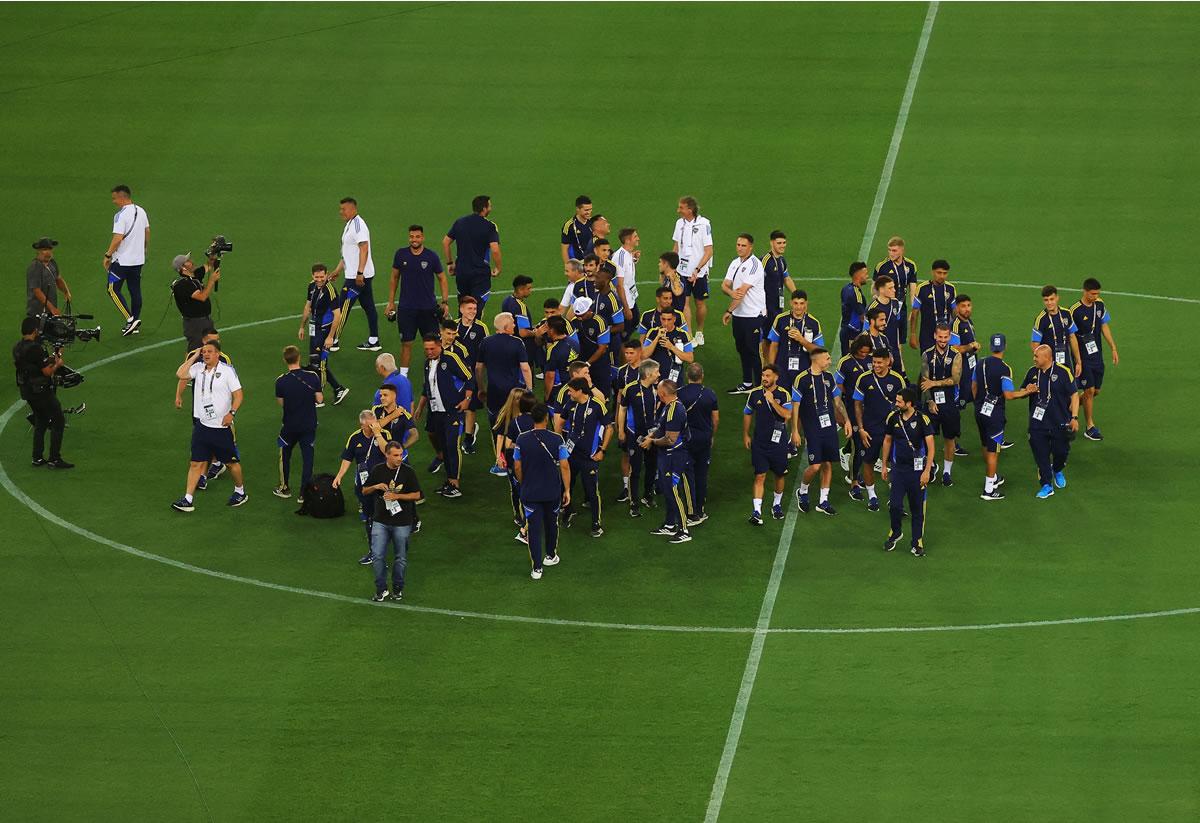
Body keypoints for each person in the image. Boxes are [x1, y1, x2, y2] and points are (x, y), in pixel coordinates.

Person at [172, 341, 246, 511]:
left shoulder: (227, 371)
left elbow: (239, 395)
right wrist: (194, 356)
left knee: (230, 464)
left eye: (209, 352)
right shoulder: (198, 368)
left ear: (218, 354)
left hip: (221, 428)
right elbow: (180, 374)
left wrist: (232, 413)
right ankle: (188, 499)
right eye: (204, 352)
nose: (206, 354)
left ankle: (240, 491)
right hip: (202, 426)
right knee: (195, 463)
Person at [791, 349, 852, 516]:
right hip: (812, 428)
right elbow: (795, 406)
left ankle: (823, 501)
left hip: (829, 427)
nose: (830, 360)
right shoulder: (801, 379)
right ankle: (803, 491)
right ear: (816, 360)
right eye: (827, 358)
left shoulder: (829, 378)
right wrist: (795, 431)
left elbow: (838, 402)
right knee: (816, 465)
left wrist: (846, 420)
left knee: (827, 464)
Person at [412, 333, 474, 497]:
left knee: (452, 446)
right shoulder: (427, 364)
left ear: (440, 345)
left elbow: (469, 377)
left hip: (452, 411)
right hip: (436, 411)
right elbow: (426, 387)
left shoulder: (451, 359)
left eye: (432, 348)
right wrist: (419, 408)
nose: (429, 351)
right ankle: (449, 480)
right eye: (426, 349)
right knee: (445, 446)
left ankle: (455, 483)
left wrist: (467, 399)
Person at [513, 403, 570, 579]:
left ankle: (537, 568)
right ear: (547, 418)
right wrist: (567, 489)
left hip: (530, 491)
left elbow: (517, 465)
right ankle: (550, 555)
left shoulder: (522, 439)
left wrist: (524, 481)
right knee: (552, 524)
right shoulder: (557, 440)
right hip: (551, 491)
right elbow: (565, 466)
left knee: (534, 530)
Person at [362, 441, 422, 601]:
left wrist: (397, 496)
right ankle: (381, 589)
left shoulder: (408, 472)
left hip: (402, 522)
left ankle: (397, 587)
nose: (399, 458)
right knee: (377, 555)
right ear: (387, 455)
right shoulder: (378, 470)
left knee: (400, 557)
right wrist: (376, 486)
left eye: (401, 455)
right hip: (380, 520)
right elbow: (365, 490)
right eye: (396, 455)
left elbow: (417, 495)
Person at [880, 386, 936, 556]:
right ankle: (896, 532)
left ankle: (916, 542)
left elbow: (931, 448)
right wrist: (884, 465)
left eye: (899, 401)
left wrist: (927, 471)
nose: (895, 403)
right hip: (898, 470)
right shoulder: (892, 418)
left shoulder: (923, 420)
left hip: (917, 472)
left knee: (917, 509)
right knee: (895, 506)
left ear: (909, 403)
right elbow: (888, 441)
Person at [1019, 343, 1079, 499]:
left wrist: (1074, 417)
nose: (1034, 359)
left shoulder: (1064, 372)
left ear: (1047, 357)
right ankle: (1046, 484)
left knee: (1061, 452)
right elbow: (1021, 391)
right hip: (1037, 424)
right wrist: (1027, 391)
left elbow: (1074, 395)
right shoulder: (1032, 372)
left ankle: (1057, 469)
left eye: (1036, 356)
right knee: (1041, 455)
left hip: (1060, 422)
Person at [554, 376, 612, 537]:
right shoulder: (570, 404)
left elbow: (609, 427)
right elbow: (559, 423)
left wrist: (602, 450)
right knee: (566, 486)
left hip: (589, 456)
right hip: (571, 454)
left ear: (580, 391)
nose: (569, 394)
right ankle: (568, 510)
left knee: (592, 491)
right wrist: (559, 445)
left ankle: (596, 523)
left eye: (571, 391)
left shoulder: (597, 405)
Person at [476, 312, 533, 473]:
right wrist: (529, 389)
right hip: (513, 393)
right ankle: (522, 457)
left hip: (494, 392)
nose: (515, 325)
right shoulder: (517, 343)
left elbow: (479, 368)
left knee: (497, 427)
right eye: (513, 324)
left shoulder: (486, 342)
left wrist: (481, 388)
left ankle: (500, 463)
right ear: (506, 327)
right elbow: (525, 368)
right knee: (518, 424)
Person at [386, 224, 448, 371]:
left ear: (423, 237)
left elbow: (442, 278)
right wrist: (390, 302)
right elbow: (394, 278)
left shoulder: (431, 256)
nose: (414, 239)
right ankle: (403, 376)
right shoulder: (401, 255)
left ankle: (434, 374)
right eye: (412, 236)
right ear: (409, 237)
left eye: (417, 236)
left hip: (428, 308)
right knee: (406, 343)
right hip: (407, 308)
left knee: (431, 343)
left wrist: (444, 302)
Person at [333, 411, 392, 565]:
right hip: (364, 485)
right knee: (370, 518)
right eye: (370, 424)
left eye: (375, 422)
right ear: (362, 424)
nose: (374, 425)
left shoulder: (384, 434)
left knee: (385, 517)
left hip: (383, 484)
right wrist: (339, 475)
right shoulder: (355, 437)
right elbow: (347, 458)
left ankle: (386, 547)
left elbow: (388, 453)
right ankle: (374, 552)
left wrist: (378, 434)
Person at [852, 348, 907, 511]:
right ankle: (872, 496)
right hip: (870, 428)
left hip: (893, 429)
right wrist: (861, 428)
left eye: (879, 362)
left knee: (896, 462)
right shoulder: (864, 379)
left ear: (888, 362)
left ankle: (895, 497)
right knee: (868, 461)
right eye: (874, 362)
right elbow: (857, 404)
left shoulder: (897, 379)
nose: (875, 365)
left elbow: (905, 404)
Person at [13, 316, 71, 468]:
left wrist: (54, 356)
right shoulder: (36, 348)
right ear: (34, 331)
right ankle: (54, 458)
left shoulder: (18, 347)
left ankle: (37, 457)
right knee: (58, 420)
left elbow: (35, 364)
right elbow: (46, 372)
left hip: (27, 391)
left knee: (41, 421)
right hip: (41, 391)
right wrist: (57, 364)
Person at [641, 379, 694, 543]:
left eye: (658, 390)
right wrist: (651, 435)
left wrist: (652, 442)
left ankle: (684, 529)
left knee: (673, 491)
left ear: (663, 394)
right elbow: (661, 428)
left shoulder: (674, 411)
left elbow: (670, 439)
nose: (656, 392)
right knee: (667, 489)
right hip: (667, 455)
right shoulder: (669, 407)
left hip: (674, 455)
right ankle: (670, 524)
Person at [1070, 278, 1119, 441]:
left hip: (1096, 356)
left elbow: (1104, 325)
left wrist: (1113, 347)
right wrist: (1078, 360)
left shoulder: (1100, 305)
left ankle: (1070, 408)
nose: (1095, 296)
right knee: (1089, 391)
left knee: (1096, 391)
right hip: (1083, 358)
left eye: (1097, 293)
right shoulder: (1074, 311)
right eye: (1093, 294)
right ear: (1084, 291)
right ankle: (1090, 426)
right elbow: (1071, 336)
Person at [329, 197, 381, 352]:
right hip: (357, 274)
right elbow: (348, 252)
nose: (341, 212)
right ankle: (374, 340)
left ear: (353, 209)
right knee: (368, 306)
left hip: (357, 278)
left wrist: (359, 273)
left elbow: (364, 249)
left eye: (343, 209)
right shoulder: (350, 225)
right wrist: (338, 270)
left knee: (343, 306)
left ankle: (334, 339)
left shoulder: (358, 225)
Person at [743, 364, 792, 524]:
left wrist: (772, 402)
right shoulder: (755, 394)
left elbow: (787, 415)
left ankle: (776, 504)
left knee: (779, 474)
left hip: (778, 443)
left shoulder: (783, 395)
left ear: (776, 377)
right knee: (760, 475)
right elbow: (748, 413)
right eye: (763, 375)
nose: (764, 378)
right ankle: (756, 511)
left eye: (768, 376)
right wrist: (746, 434)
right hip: (760, 443)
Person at [274, 345, 323, 504]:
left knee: (284, 454)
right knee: (308, 457)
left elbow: (281, 403)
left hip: (289, 425)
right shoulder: (312, 376)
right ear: (299, 357)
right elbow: (320, 399)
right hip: (309, 424)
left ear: (284, 360)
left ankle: (284, 487)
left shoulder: (281, 381)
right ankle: (304, 493)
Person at [971, 333, 1017, 501]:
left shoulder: (980, 363)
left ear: (991, 347)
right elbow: (1009, 394)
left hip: (980, 410)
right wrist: (1027, 391)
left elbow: (974, 386)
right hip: (995, 415)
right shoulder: (1005, 368)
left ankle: (994, 477)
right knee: (993, 452)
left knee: (985, 444)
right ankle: (989, 490)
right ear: (1004, 347)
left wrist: (978, 403)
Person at [298, 263, 350, 405]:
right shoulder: (311, 286)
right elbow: (308, 306)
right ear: (312, 276)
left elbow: (337, 315)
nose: (319, 280)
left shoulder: (330, 291)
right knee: (314, 361)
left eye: (322, 277)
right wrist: (302, 326)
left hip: (325, 330)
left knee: (320, 363)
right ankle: (338, 388)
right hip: (314, 328)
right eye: (317, 277)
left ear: (326, 275)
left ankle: (318, 397)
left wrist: (330, 337)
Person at [721, 233, 767, 394]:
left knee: (753, 351)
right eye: (738, 245)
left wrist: (729, 310)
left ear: (751, 247)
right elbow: (725, 285)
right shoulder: (734, 263)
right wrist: (731, 293)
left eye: (743, 245)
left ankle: (761, 386)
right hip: (739, 315)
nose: (739, 248)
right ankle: (747, 383)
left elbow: (741, 292)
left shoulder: (755, 265)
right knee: (741, 349)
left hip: (753, 315)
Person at [103, 184, 150, 337]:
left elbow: (117, 238)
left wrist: (108, 255)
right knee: (135, 290)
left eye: (114, 198)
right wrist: (143, 249)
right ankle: (134, 324)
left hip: (121, 262)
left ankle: (130, 319)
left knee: (112, 289)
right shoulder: (141, 211)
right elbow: (147, 232)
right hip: (138, 260)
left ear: (122, 197)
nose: (113, 201)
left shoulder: (121, 215)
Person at [919, 324, 963, 486]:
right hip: (932, 401)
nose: (943, 340)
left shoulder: (956, 355)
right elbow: (925, 382)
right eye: (940, 337)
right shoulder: (927, 355)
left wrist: (934, 383)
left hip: (949, 402)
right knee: (927, 437)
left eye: (946, 337)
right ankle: (930, 466)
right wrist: (930, 401)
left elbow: (956, 379)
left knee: (949, 438)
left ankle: (946, 472)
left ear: (949, 337)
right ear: (935, 336)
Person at [617, 359, 661, 516]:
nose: (659, 374)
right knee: (635, 469)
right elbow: (622, 409)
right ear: (648, 374)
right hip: (634, 434)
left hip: (653, 434)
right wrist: (621, 430)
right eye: (657, 372)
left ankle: (648, 495)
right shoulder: (630, 388)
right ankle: (633, 502)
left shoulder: (657, 388)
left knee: (651, 466)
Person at [677, 362, 719, 523]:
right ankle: (700, 509)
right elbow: (715, 419)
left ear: (688, 376)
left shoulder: (679, 394)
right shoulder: (710, 394)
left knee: (688, 475)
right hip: (704, 439)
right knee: (702, 474)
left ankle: (691, 511)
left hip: (686, 439)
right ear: (702, 376)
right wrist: (711, 435)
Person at [444, 195, 502, 309]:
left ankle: (462, 326)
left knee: (463, 307)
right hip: (479, 274)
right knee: (476, 309)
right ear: (484, 209)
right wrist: (498, 268)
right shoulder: (490, 226)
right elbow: (495, 249)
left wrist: (450, 263)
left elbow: (445, 242)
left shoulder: (460, 222)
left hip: (462, 272)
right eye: (490, 206)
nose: (491, 208)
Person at [835, 334, 874, 498]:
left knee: (867, 443)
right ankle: (853, 481)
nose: (865, 355)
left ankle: (845, 450)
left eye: (867, 352)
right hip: (852, 407)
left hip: (870, 408)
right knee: (858, 446)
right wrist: (851, 397)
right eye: (862, 352)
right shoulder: (845, 362)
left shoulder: (872, 360)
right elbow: (838, 386)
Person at [672, 196, 714, 346]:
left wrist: (697, 269)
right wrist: (672, 267)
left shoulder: (704, 224)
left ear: (690, 210)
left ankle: (699, 332)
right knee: (684, 303)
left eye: (681, 208)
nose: (678, 210)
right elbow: (676, 247)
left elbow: (709, 251)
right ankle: (689, 336)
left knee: (700, 303)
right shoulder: (679, 224)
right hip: (682, 270)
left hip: (700, 272)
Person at [766, 289, 825, 390]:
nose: (798, 307)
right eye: (795, 303)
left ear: (806, 303)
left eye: (801, 303)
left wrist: (801, 340)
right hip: (782, 367)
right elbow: (774, 345)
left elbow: (818, 351)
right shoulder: (780, 319)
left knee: (802, 400)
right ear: (790, 303)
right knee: (782, 398)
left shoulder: (813, 323)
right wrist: (771, 369)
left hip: (804, 368)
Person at [494, 388, 536, 523]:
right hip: (513, 457)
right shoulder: (507, 415)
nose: (521, 401)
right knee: (516, 488)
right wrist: (498, 457)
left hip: (527, 457)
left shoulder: (529, 417)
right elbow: (500, 438)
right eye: (518, 398)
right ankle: (518, 513)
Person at [455, 296, 489, 452]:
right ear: (461, 309)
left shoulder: (481, 328)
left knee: (471, 406)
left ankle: (468, 438)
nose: (473, 312)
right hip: (455, 374)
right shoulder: (453, 327)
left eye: (475, 309)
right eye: (469, 309)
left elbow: (486, 349)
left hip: (472, 373)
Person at [949, 294, 980, 457]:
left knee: (980, 399)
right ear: (957, 308)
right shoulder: (955, 325)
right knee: (955, 407)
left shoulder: (968, 321)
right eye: (963, 306)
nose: (967, 308)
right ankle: (952, 444)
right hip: (961, 372)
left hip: (972, 369)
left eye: (969, 305)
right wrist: (970, 346)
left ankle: (992, 437)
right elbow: (953, 349)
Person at [760, 230, 798, 362]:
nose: (782, 245)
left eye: (784, 243)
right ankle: (766, 364)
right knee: (767, 336)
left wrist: (796, 296)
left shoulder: (781, 261)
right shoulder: (765, 260)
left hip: (778, 305)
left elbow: (787, 279)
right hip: (766, 305)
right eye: (779, 243)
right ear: (771, 243)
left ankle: (773, 361)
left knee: (775, 334)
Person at [172, 252, 220, 353]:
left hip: (206, 320)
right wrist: (211, 281)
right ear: (183, 268)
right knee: (195, 351)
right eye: (188, 261)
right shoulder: (182, 285)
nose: (192, 262)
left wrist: (214, 254)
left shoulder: (195, 276)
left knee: (212, 347)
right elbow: (202, 297)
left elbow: (209, 265)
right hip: (194, 324)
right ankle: (188, 368)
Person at [1031, 285, 1082, 377]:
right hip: (1049, 364)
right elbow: (1035, 345)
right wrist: (1040, 365)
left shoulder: (1066, 313)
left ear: (1057, 298)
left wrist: (1078, 362)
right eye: (1046, 300)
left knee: (1070, 389)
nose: (1049, 303)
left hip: (1066, 361)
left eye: (1052, 299)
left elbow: (1072, 337)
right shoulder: (1041, 319)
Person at [909, 259, 957, 352]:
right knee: (926, 363)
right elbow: (915, 313)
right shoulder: (922, 288)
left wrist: (956, 333)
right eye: (939, 273)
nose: (942, 276)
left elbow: (955, 312)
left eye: (945, 273)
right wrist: (913, 334)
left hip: (945, 334)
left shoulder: (951, 288)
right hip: (927, 334)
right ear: (932, 272)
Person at [864, 275, 906, 375]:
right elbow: (866, 332)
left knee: (898, 378)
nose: (894, 290)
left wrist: (899, 344)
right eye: (890, 288)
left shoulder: (895, 303)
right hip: (880, 351)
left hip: (894, 349)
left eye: (894, 287)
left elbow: (897, 324)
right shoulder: (872, 308)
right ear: (882, 290)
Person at [642, 307, 694, 387]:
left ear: (674, 319)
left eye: (669, 320)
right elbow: (644, 355)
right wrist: (657, 338)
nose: (666, 323)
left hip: (675, 378)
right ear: (660, 318)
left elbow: (690, 358)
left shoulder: (683, 334)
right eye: (663, 319)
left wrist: (671, 347)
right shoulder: (653, 332)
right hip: (655, 378)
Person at [571, 297, 612, 398]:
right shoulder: (574, 322)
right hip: (582, 361)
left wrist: (588, 363)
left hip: (599, 363)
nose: (579, 318)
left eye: (582, 315)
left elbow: (602, 348)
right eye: (577, 316)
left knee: (602, 392)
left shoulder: (600, 322)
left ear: (589, 310)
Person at [26, 237, 73, 317]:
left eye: (50, 249)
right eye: (44, 249)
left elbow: (58, 279)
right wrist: (52, 308)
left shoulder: (52, 263)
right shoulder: (35, 267)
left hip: (50, 313)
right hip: (38, 314)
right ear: (38, 251)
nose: (48, 252)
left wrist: (66, 291)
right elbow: (37, 291)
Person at [501, 275, 538, 364]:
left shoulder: (507, 300)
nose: (530, 291)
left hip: (509, 342)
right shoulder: (520, 307)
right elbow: (523, 333)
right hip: (522, 345)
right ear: (521, 289)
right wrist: (536, 332)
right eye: (528, 288)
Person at [874, 235, 917, 311]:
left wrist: (914, 309)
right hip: (885, 309)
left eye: (894, 251)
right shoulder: (882, 267)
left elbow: (913, 291)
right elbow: (875, 288)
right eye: (889, 250)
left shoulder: (910, 265)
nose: (891, 253)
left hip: (902, 308)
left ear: (902, 250)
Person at [542, 316, 578, 401]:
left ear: (552, 330)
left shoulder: (553, 349)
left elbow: (550, 376)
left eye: (547, 327)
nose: (545, 330)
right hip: (574, 384)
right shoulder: (574, 343)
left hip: (560, 388)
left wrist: (547, 396)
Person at [612, 227, 640, 337]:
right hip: (625, 302)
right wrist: (626, 308)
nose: (638, 238)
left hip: (631, 298)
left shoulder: (628, 254)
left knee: (635, 320)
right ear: (628, 240)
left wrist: (634, 259)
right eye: (635, 237)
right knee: (624, 333)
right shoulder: (620, 257)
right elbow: (619, 285)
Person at [839, 262, 869, 356]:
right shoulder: (856, 294)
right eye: (865, 273)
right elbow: (862, 317)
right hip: (853, 334)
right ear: (858, 275)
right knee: (852, 362)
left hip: (845, 330)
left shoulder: (846, 288)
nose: (867, 276)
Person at [561, 195, 593, 262]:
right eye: (586, 210)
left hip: (595, 263)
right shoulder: (569, 226)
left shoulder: (593, 222)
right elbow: (564, 249)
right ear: (578, 209)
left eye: (590, 209)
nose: (589, 212)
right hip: (580, 265)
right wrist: (568, 266)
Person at [658, 251, 688, 320]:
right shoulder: (667, 276)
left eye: (660, 262)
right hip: (667, 315)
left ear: (666, 264)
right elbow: (662, 284)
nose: (659, 264)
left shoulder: (676, 278)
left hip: (674, 318)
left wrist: (673, 280)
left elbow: (677, 292)